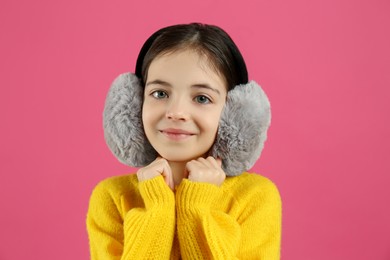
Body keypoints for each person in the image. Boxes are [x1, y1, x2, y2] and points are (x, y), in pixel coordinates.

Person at [87, 23, 282, 259]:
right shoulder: (111, 197)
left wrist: (195, 206)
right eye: (160, 94)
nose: (176, 112)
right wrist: (158, 207)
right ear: (134, 104)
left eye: (201, 98)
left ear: (236, 114)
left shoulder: (256, 197)